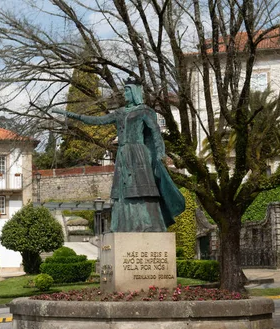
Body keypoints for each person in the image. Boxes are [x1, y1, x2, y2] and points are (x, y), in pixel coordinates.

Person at [52, 81, 185, 232]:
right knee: (123, 192)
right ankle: (124, 224)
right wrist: (70, 115)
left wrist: (160, 153)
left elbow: (155, 133)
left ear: (134, 93)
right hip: (123, 154)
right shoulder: (120, 112)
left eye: (127, 91)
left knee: (143, 190)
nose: (124, 94)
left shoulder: (144, 111)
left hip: (139, 154)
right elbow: (96, 121)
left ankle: (151, 224)